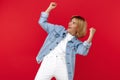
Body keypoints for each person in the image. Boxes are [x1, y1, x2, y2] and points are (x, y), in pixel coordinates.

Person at [35, 2, 96, 80]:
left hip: (63, 66)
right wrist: (49, 8)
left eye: (73, 23)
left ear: (78, 27)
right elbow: (42, 22)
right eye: (71, 21)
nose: (70, 23)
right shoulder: (58, 29)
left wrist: (91, 35)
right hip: (48, 62)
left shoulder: (76, 43)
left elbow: (83, 51)